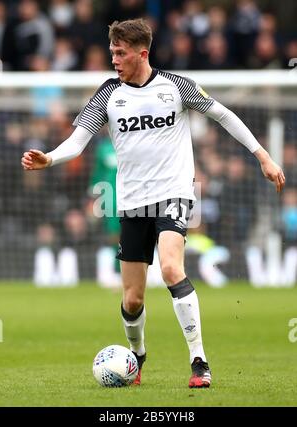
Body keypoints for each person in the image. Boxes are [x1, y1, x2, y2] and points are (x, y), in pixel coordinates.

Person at [21, 18, 285, 388]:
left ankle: (199, 361)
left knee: (172, 269)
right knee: (132, 299)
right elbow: (78, 141)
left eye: (120, 53)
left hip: (174, 193)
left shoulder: (176, 87)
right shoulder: (108, 94)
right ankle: (138, 355)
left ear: (141, 53)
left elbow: (223, 114)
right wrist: (49, 157)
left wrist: (262, 156)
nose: (114, 59)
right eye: (112, 52)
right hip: (132, 202)